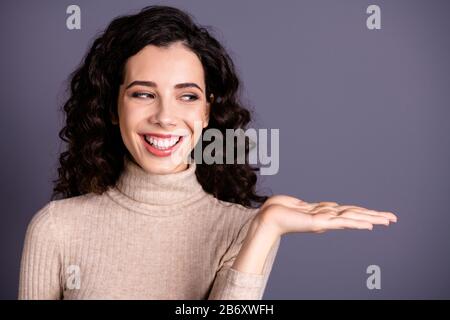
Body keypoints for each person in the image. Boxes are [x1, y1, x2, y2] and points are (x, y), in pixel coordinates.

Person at [18, 5, 397, 300]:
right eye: (143, 94)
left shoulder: (245, 230)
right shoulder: (56, 229)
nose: (165, 117)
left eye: (187, 96)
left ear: (206, 111)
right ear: (113, 108)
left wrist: (266, 228)